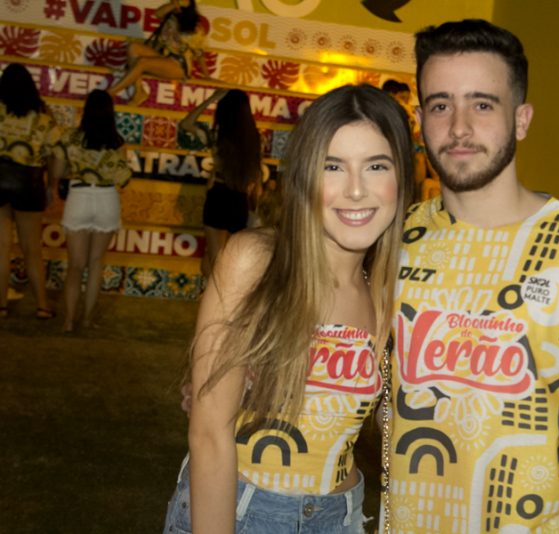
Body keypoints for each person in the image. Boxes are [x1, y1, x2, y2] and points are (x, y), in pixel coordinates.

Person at [383, 19, 559, 533]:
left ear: (522, 119)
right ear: (419, 120)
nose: (459, 127)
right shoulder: (392, 241)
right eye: (440, 106)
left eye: (482, 105)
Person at [162, 84, 414, 533]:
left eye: (377, 166)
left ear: (402, 178)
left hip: (343, 516)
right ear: (303, 177)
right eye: (332, 166)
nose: (356, 190)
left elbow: (394, 422)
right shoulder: (257, 260)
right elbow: (209, 434)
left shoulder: (391, 288)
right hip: (246, 509)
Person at [57, 90, 131, 333]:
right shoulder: (117, 142)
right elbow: (124, 178)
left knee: (75, 265)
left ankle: (68, 321)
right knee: (96, 262)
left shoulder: (71, 138)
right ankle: (87, 319)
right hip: (107, 198)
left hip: (78, 196)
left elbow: (58, 171)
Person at [178, 88, 264, 278]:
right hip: (239, 200)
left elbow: (186, 123)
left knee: (216, 262)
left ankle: (220, 296)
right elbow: (257, 180)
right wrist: (254, 206)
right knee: (211, 263)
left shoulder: (217, 136)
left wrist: (210, 99)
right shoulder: (255, 139)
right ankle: (215, 294)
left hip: (219, 195)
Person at [0, 63, 63, 319]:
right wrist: (52, 185)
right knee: (32, 249)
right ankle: (42, 306)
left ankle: (1, 305)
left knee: (1, 247)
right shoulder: (43, 118)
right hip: (29, 182)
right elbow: (58, 153)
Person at [108, 0, 209, 105]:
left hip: (179, 65)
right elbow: (158, 13)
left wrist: (207, 76)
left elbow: (200, 53)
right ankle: (138, 91)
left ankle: (110, 93)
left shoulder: (195, 27)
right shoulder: (171, 16)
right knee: (133, 47)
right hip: (163, 57)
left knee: (142, 62)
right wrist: (174, 5)